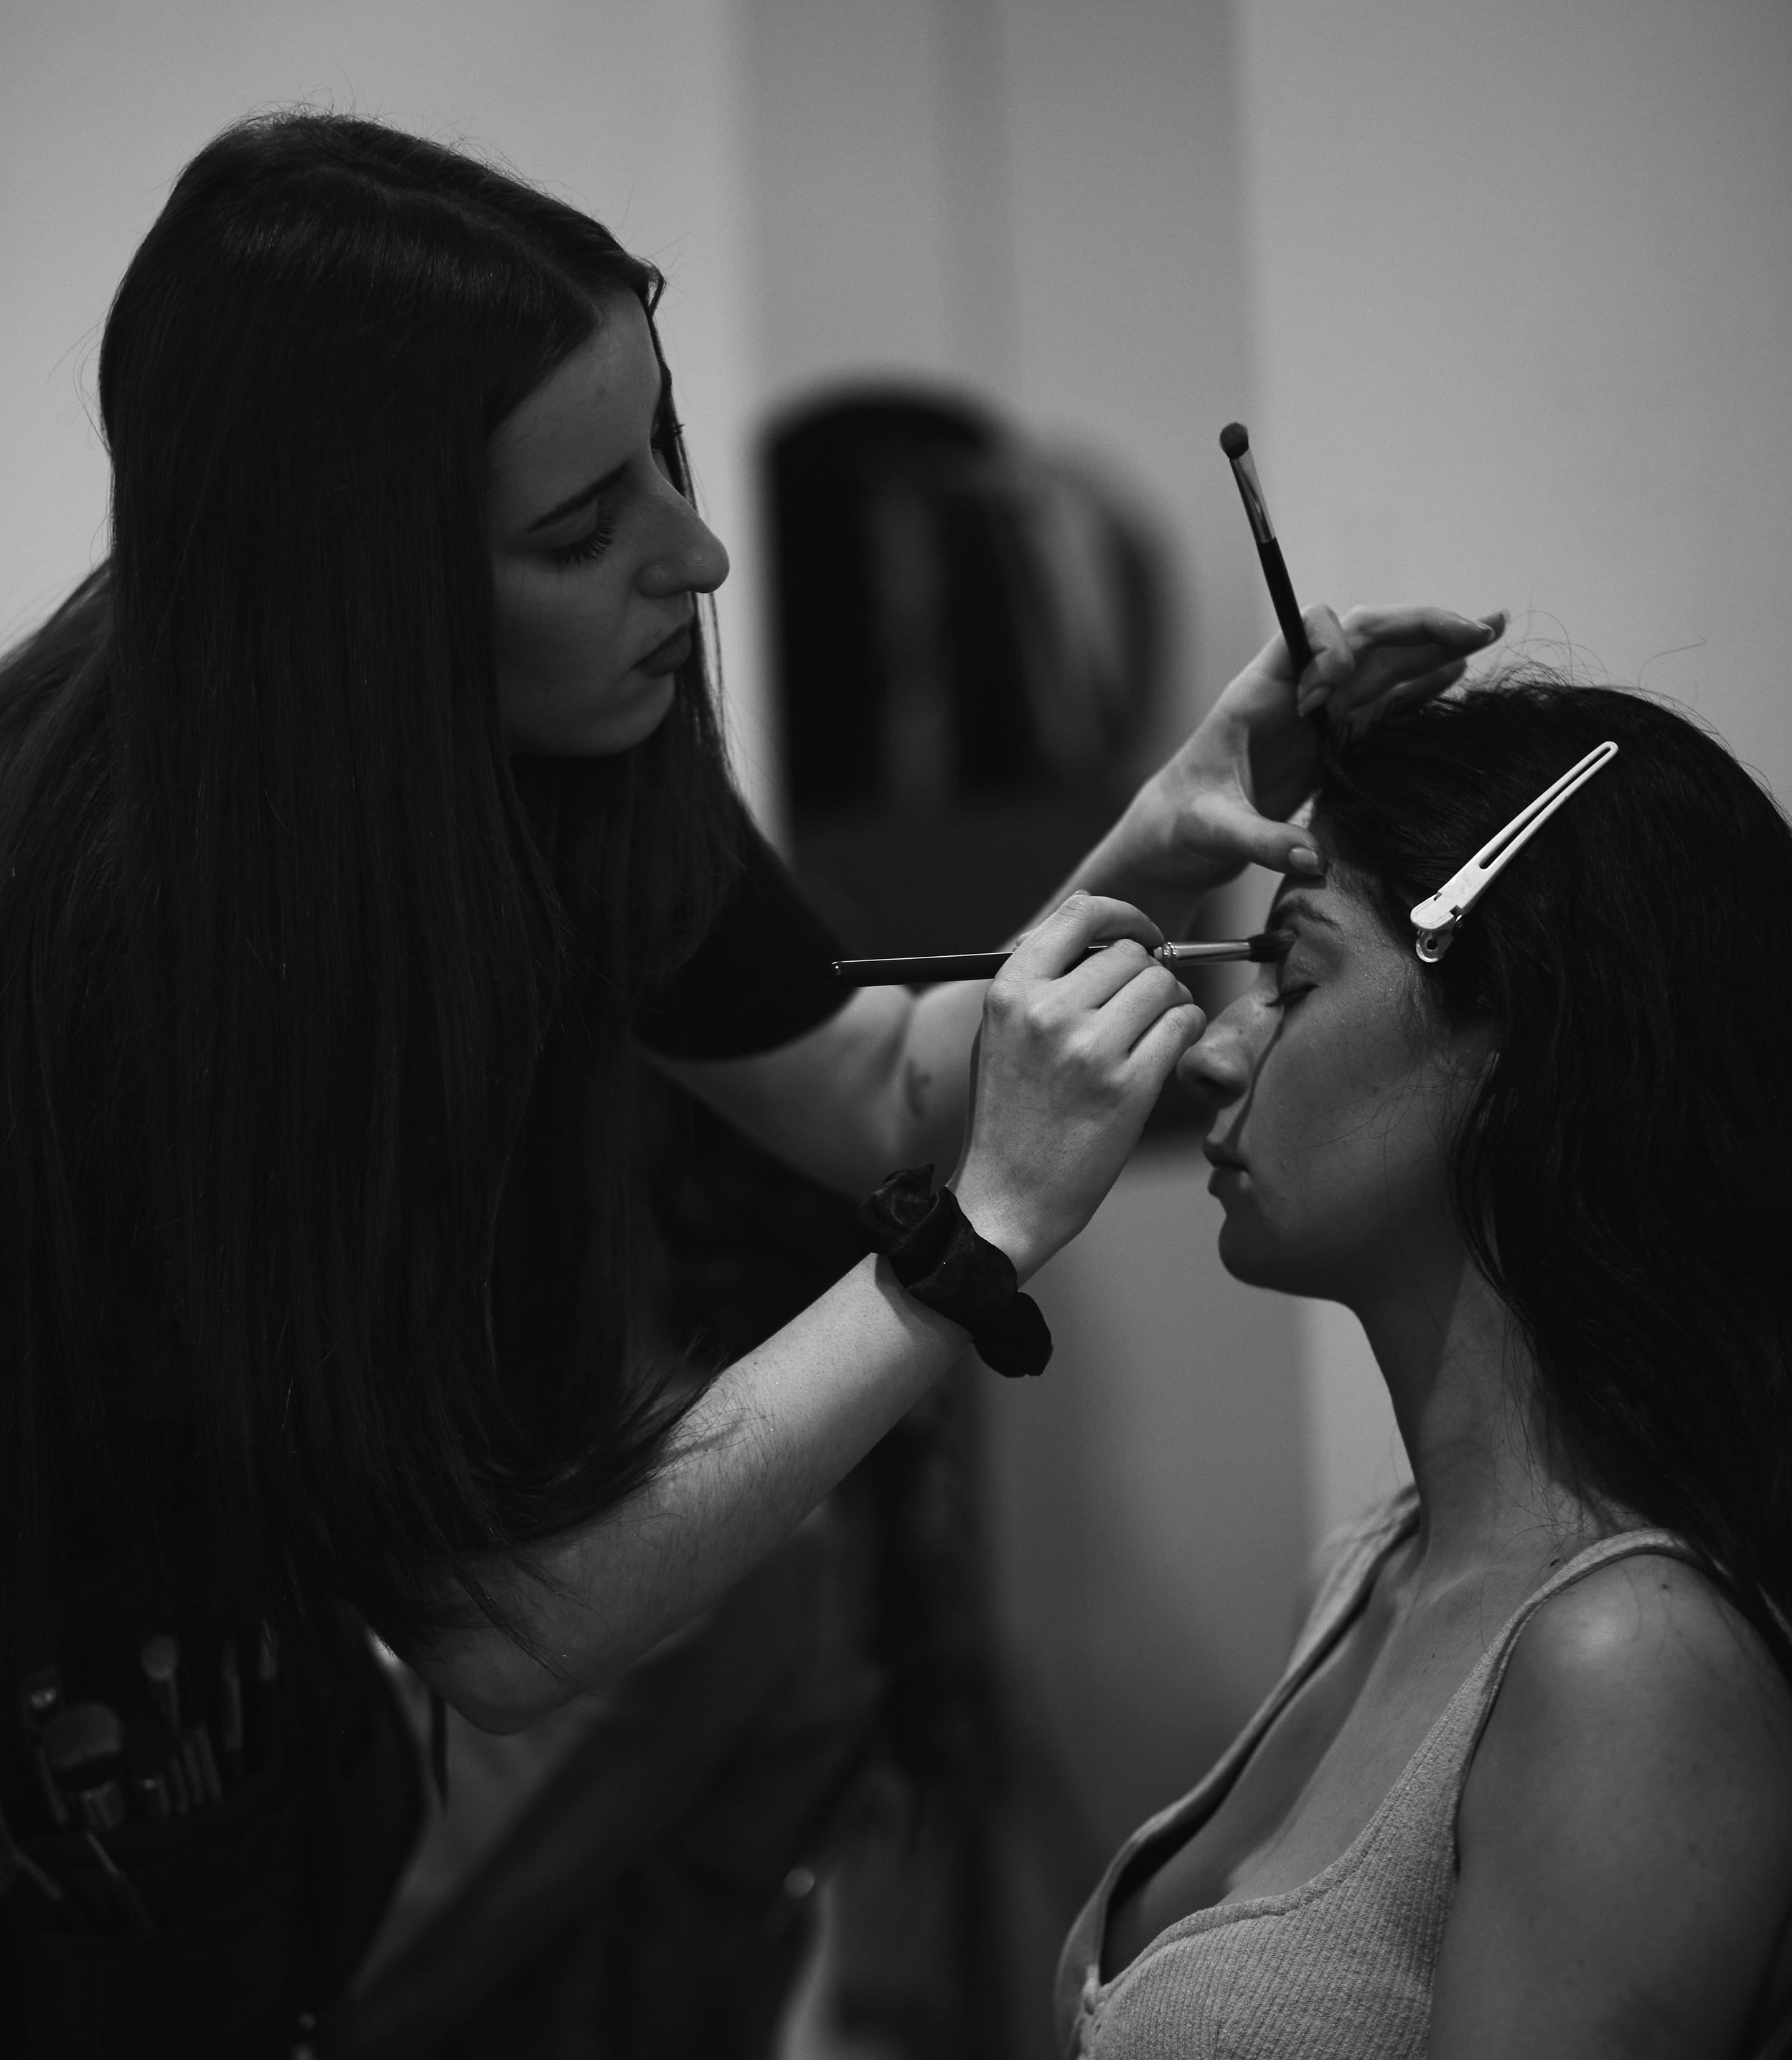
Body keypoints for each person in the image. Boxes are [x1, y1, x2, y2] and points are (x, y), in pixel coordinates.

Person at [0, 110, 1496, 2054]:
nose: (690, 555)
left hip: (268, 1723)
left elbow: (868, 1076)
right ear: (373, 616)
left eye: (664, 449)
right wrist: (969, 1251)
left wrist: (1166, 827)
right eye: (578, 529)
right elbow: (515, 1627)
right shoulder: (157, 940)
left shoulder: (563, 719)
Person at [1059, 678, 1792, 2059]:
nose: (1215, 1048)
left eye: (1292, 979)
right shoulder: (1378, 1567)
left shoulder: (1628, 1672)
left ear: (1524, 1042)